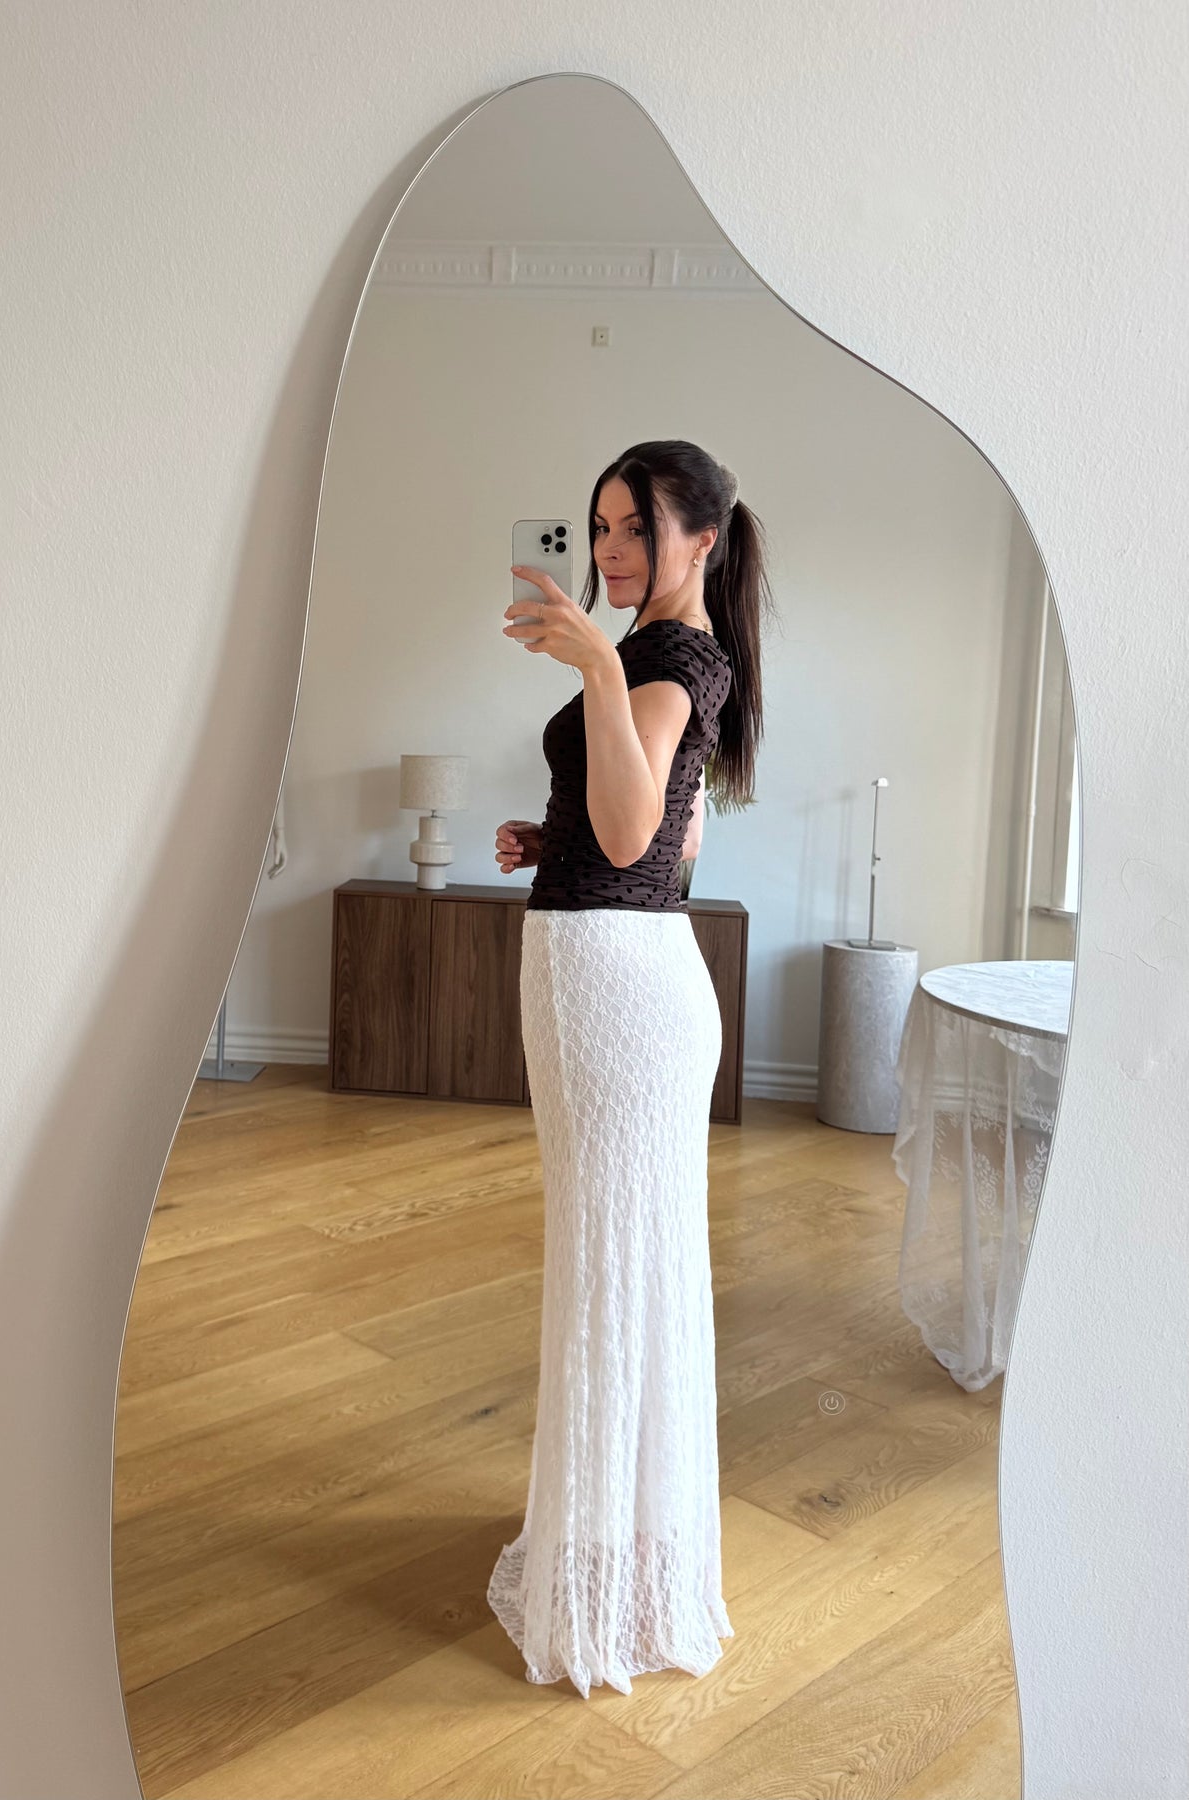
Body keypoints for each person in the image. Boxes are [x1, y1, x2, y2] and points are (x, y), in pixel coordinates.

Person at [485, 439, 773, 1697]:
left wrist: (598, 666)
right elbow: (668, 844)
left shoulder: (663, 657)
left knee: (609, 1268)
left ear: (701, 538)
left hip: (611, 986)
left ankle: (606, 1573)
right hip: (626, 970)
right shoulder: (678, 659)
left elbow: (628, 832)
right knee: (624, 1267)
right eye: (599, 527)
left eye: (634, 528)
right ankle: (622, 1541)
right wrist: (543, 834)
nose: (608, 551)